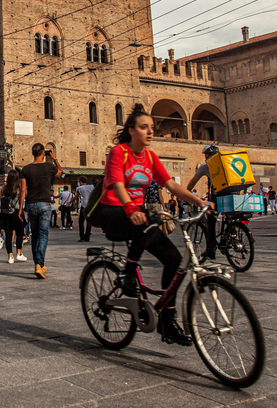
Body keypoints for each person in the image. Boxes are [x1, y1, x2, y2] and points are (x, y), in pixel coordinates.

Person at [97, 104, 209, 346]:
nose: (150, 132)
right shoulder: (120, 152)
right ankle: (128, 271)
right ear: (131, 130)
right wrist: (130, 208)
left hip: (137, 216)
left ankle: (168, 321)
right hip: (114, 211)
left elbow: (172, 186)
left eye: (152, 127)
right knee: (146, 221)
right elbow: (116, 184)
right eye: (144, 127)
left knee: (173, 260)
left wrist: (200, 202)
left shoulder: (149, 157)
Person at [20, 143, 62, 279]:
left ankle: (38, 264)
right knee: (43, 235)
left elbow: (22, 190)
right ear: (43, 153)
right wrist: (55, 158)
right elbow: (61, 173)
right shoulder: (49, 167)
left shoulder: (25, 169)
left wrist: (21, 208)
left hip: (31, 204)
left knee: (35, 236)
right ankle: (39, 264)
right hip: (45, 204)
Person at [185, 145, 223, 262]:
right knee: (231, 217)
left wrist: (186, 194)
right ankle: (232, 234)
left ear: (207, 155)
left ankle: (210, 249)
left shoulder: (205, 166)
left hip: (216, 196)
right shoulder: (226, 163)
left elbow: (192, 183)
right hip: (233, 195)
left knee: (210, 221)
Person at [0, 170, 26, 263]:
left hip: (6, 213)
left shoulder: (4, 188)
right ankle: (19, 253)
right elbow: (23, 198)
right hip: (17, 211)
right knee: (19, 233)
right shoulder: (19, 188)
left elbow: (1, 199)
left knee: (8, 234)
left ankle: (10, 256)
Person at [75, 177, 94, 242]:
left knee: (81, 221)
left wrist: (70, 202)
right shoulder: (91, 186)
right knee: (89, 222)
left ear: (80, 182)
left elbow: (76, 196)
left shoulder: (79, 188)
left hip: (83, 206)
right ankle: (87, 236)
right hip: (90, 205)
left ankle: (82, 236)